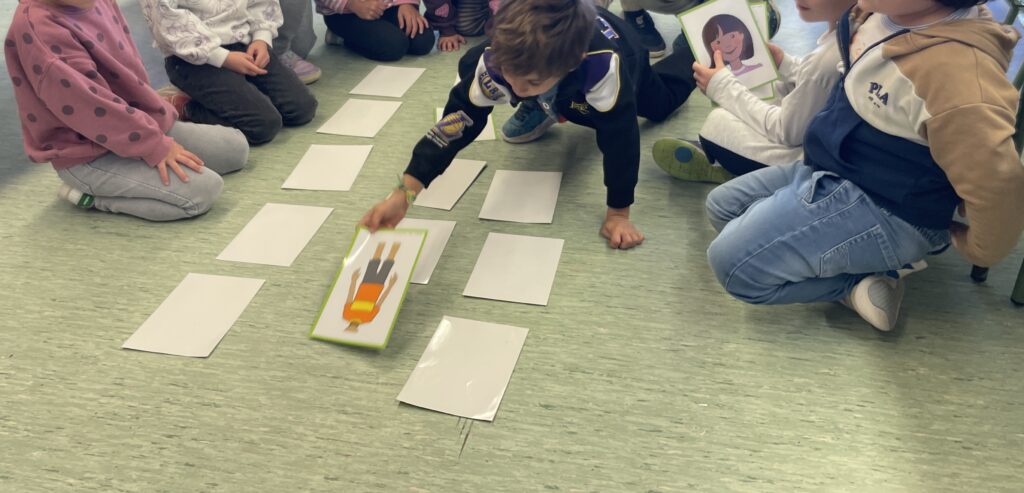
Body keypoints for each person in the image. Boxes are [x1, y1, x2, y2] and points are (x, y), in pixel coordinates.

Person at [703, 0, 1024, 331]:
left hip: (888, 207)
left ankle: (852, 284)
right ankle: (862, 268)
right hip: (838, 165)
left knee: (733, 268)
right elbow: (852, 75)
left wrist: (979, 248)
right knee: (722, 207)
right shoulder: (880, 13)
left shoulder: (959, 77)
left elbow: (998, 183)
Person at [360, 0, 699, 250]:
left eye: (531, 83)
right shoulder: (499, 59)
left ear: (571, 65)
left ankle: (695, 49)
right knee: (496, 80)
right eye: (511, 77)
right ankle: (545, 102)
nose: (517, 89)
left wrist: (618, 214)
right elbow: (455, 124)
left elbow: (620, 139)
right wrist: (405, 192)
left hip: (623, 48)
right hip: (554, 65)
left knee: (655, 105)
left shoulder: (603, 68)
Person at [5, 0, 249, 221]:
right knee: (202, 192)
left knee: (235, 149)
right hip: (88, 154)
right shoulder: (40, 30)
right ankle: (89, 197)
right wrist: (154, 146)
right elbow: (91, 107)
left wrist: (153, 126)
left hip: (137, 125)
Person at [653, 0, 855, 183]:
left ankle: (734, 172)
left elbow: (786, 131)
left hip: (817, 165)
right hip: (827, 141)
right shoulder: (853, 31)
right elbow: (820, 85)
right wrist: (785, 63)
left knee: (716, 123)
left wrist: (721, 86)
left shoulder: (827, 59)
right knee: (772, 87)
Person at [140, 0, 318, 145]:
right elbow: (167, 21)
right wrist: (223, 58)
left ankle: (239, 95)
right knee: (263, 125)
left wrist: (262, 37)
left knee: (302, 108)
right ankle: (186, 107)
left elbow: (261, 3)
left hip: (245, 44)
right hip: (193, 57)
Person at [318, 0, 435, 61]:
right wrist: (351, 4)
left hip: (389, 5)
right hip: (345, 13)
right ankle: (341, 37)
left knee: (423, 40)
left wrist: (407, 3)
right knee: (393, 46)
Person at [343, 242, 401, 333]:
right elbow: (380, 301)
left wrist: (353, 280)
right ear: (356, 330)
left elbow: (350, 296)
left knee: (375, 259)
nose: (352, 328)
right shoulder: (368, 319)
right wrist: (390, 285)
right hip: (379, 285)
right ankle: (397, 242)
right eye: (353, 330)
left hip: (366, 283)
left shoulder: (346, 315)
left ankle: (383, 239)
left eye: (349, 329)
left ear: (346, 328)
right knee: (389, 261)